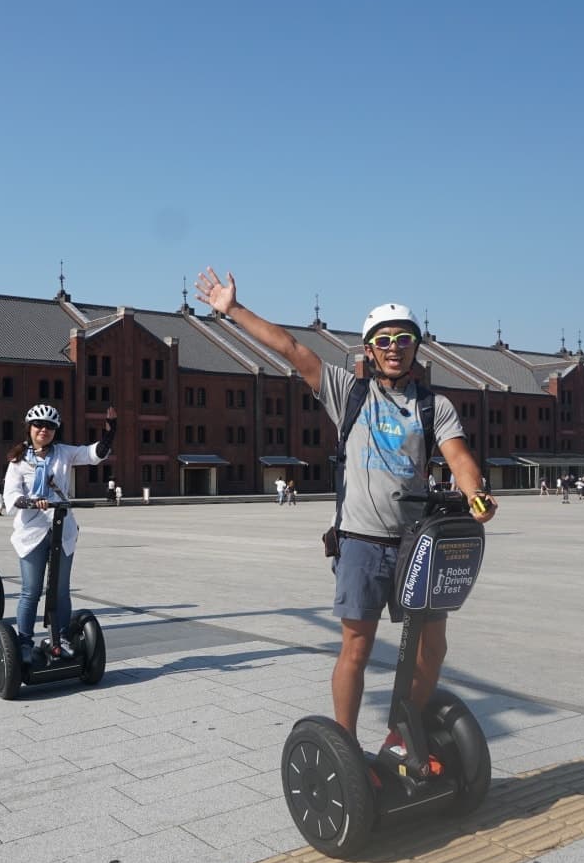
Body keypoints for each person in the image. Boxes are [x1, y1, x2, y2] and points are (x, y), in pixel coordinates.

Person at [195, 268, 496, 752]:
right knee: (356, 647)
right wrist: (232, 309)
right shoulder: (348, 392)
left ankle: (401, 734)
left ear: (415, 347)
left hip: (416, 545)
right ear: (369, 349)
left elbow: (458, 456)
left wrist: (476, 492)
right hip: (360, 542)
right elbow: (292, 350)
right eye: (384, 340)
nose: (394, 347)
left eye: (403, 339)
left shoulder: (433, 406)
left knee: (432, 648)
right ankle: (347, 749)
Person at [4, 403, 116, 661]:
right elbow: (11, 494)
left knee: (61, 590)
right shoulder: (18, 461)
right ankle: (23, 642)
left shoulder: (64, 453)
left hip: (62, 529)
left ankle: (60, 637)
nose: (44, 430)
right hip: (31, 532)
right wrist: (30, 501)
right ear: (29, 428)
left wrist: (110, 433)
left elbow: (93, 454)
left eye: (50, 426)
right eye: (39, 425)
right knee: (30, 590)